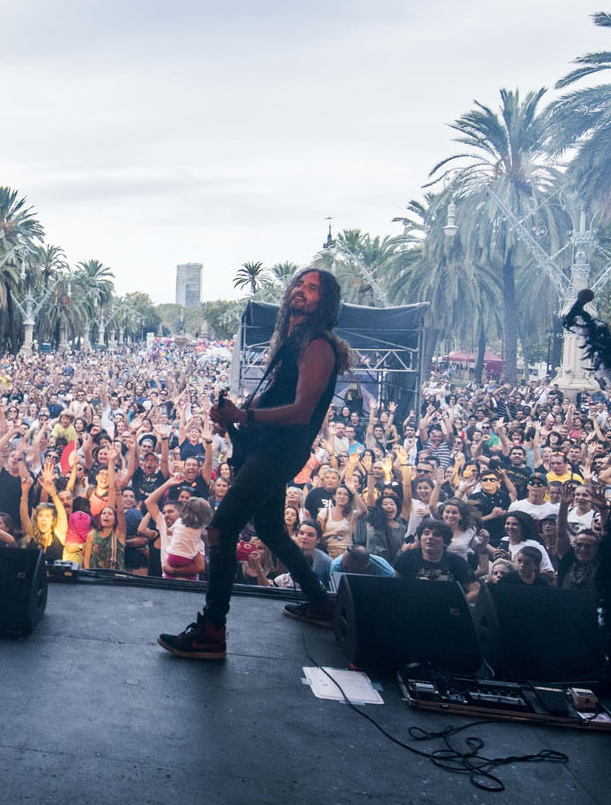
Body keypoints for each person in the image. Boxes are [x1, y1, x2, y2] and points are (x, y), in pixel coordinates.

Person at [160, 268, 352, 660]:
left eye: (313, 288)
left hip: (277, 453)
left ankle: (212, 631)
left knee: (220, 529)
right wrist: (235, 415)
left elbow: (301, 411)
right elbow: (275, 399)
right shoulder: (294, 342)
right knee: (270, 529)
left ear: (326, 302)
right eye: (299, 284)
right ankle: (320, 604)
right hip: (268, 447)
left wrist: (244, 416)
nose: (301, 290)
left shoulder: (317, 346)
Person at [393, 519, 480, 602]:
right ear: (420, 538)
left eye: (436, 534)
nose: (430, 537)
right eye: (426, 533)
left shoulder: (457, 562)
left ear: (445, 542)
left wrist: (457, 604)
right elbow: (392, 583)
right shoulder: (407, 557)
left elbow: (476, 591)